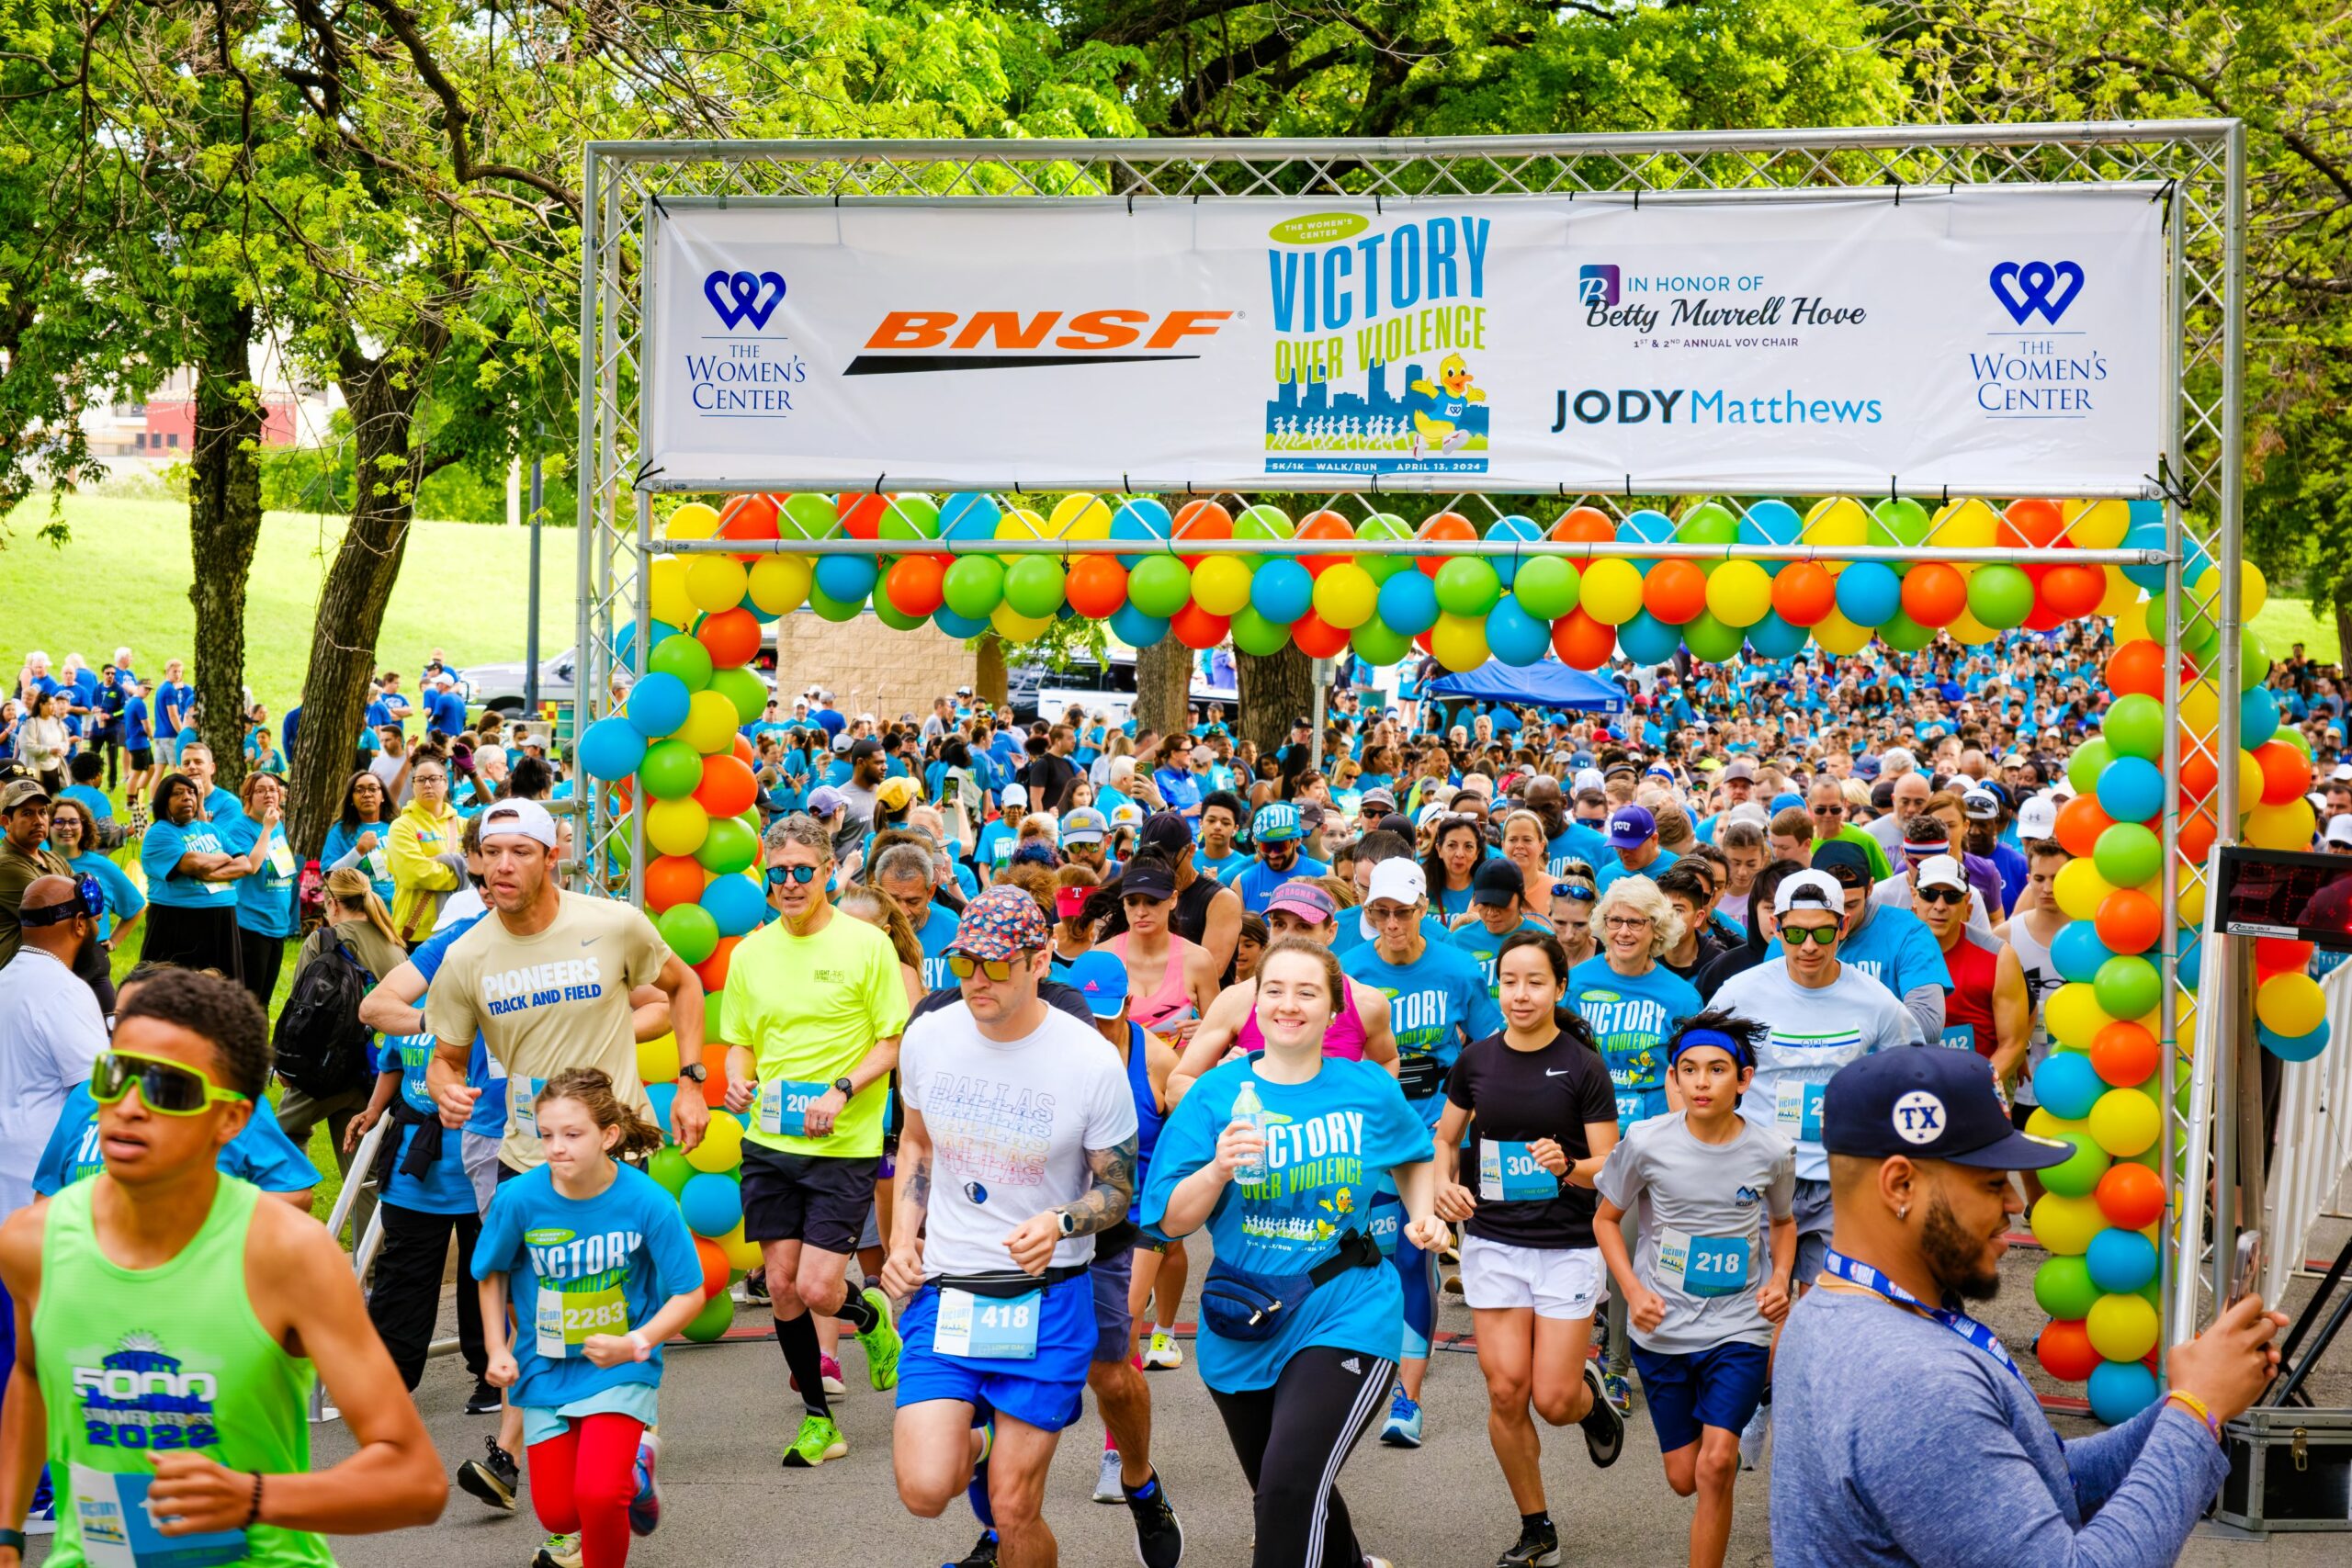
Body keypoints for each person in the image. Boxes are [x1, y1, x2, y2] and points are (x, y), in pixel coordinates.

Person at [1771, 1046, 2286, 1565]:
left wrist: (2196, 1392)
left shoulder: (1837, 1310)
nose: (2016, 1205)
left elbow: (2048, 1477)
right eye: (1993, 1182)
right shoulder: (1914, 1380)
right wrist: (2196, 1411)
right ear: (1901, 1185)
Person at [0, 968, 448, 1564]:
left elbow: (415, 1480)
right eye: (116, 1076)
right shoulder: (32, 1241)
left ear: (232, 1120)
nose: (130, 1106)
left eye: (169, 1089)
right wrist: (7, 1533)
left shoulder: (288, 1254)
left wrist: (254, 1496)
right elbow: (30, 1377)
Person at [1142, 937, 1441, 1568]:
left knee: (1287, 1488)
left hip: (1347, 1309)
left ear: (1334, 1009)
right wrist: (1217, 1168)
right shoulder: (1215, 1095)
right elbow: (1168, 1217)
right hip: (1243, 1319)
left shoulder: (1366, 1088)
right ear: (1254, 1004)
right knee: (1293, 1494)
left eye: (1308, 992)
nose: (1289, 1004)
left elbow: (1415, 1155)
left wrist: (1422, 1218)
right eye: (1274, 989)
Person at [883, 886, 1141, 1568]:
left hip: (1046, 1296)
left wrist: (1060, 1220)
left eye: (995, 965)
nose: (975, 981)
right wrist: (903, 1239)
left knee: (1012, 1508)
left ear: (1039, 960)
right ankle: (985, 1438)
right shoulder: (929, 1035)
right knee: (923, 1490)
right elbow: (917, 1143)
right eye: (965, 963)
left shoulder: (1089, 1060)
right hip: (949, 1290)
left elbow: (1118, 1188)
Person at [1712, 867, 1923, 1467]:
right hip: (1761, 1178)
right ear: (1775, 927)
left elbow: (1906, 1081)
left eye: (1822, 932)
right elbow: (1701, 1064)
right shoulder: (1740, 992)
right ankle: (1759, 1401)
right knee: (1760, 1307)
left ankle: (1809, 1428)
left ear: (1844, 926)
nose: (1807, 946)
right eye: (1795, 932)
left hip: (1840, 1181)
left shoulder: (1875, 1001)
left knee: (1824, 1312)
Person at [718, 813, 910, 1470]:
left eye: (804, 870)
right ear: (766, 879)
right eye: (779, 874)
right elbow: (740, 1041)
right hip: (769, 1139)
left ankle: (871, 1317)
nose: (792, 883)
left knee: (822, 1288)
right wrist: (736, 1081)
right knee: (781, 1284)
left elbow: (892, 1038)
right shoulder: (750, 952)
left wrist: (841, 1089)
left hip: (844, 1140)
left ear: (829, 870)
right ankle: (819, 1422)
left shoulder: (865, 945)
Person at [1433, 931, 1626, 1568]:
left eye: (1535, 981)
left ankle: (1588, 1400)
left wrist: (1568, 1163)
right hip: (1492, 1242)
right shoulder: (1477, 1060)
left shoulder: (1582, 1066)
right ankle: (1536, 1524)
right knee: (1505, 1389)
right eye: (1510, 980)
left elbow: (1609, 1166)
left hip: (1566, 1246)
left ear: (1559, 987)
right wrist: (1445, 1186)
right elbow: (1446, 1138)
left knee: (1552, 1397)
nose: (1521, 993)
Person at [474, 1069, 707, 1568]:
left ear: (609, 1135)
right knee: (560, 1513)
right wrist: (497, 1347)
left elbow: (690, 1294)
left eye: (572, 1134)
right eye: (547, 1135)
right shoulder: (519, 1200)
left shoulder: (648, 1202)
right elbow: (489, 1273)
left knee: (600, 1497)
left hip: (620, 1367)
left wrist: (636, 1343)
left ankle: (623, 1473)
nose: (557, 1148)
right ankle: (635, 1471)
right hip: (545, 1365)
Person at [1594, 1010, 1795, 1568]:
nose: (1702, 1082)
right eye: (1689, 1070)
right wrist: (1632, 1292)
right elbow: (1605, 1220)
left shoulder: (1771, 1151)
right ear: (1675, 1080)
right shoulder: (1646, 1142)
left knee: (1716, 1464)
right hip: (1661, 1332)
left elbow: (1783, 1223)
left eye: (1717, 1069)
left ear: (1745, 1079)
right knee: (1684, 1477)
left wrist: (1779, 1280)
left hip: (1739, 1329)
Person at [424, 798, 711, 1174]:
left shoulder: (614, 924)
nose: (504, 865)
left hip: (614, 1153)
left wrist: (691, 1083)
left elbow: (684, 984)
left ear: (551, 857)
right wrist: (446, 1090)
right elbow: (446, 1060)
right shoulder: (464, 956)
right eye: (492, 852)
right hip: (529, 1161)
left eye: (521, 851)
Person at [1340, 857, 1502, 1448]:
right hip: (1363, 1136)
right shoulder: (1347, 970)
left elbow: (1490, 1048)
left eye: (1402, 913)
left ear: (1424, 912)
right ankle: (1351, 1374)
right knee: (1361, 1255)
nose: (1390, 924)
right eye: (1378, 913)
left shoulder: (1457, 969)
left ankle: (1407, 1399)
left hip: (1430, 1129)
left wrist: (1469, 1121)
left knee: (1414, 1256)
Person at [1056, 953, 1184, 1567]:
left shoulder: (1155, 1057)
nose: (1095, 1032)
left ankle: (1124, 1461)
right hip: (1056, 1225)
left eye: (1105, 1019)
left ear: (1126, 1008)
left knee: (1118, 1353)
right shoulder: (1052, 1052)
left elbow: (1186, 1140)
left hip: (1131, 1227)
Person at [1569, 874, 1704, 1416]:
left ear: (1658, 929)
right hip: (1577, 1135)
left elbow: (1685, 1071)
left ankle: (1617, 1365)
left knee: (1624, 1247)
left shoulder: (1681, 994)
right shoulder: (1576, 983)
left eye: (1637, 922)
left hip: (1641, 1140)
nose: (1624, 931)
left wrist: (1682, 1139)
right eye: (1616, 921)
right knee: (1580, 1254)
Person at [0, 877, 108, 1217]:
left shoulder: (5, 978)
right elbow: (97, 1093)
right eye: (94, 920)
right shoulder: (66, 992)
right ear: (79, 925)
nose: (96, 927)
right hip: (37, 1187)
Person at [1807, 841, 1949, 1043]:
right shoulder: (1792, 935)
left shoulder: (1908, 932)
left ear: (1870, 888)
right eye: (1830, 906)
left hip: (1888, 1069)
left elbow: (1928, 1023)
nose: (1842, 917)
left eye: (1851, 904)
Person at [1909, 854, 2030, 1077]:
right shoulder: (1892, 950)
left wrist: (1979, 1086)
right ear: (1914, 898)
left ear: (1967, 904)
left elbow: (2012, 1043)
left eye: (1952, 896)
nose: (1940, 906)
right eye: (1929, 894)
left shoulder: (1998, 955)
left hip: (1981, 1086)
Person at [137, 772, 260, 976]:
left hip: (222, 919)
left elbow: (245, 865)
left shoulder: (209, 829)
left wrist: (210, 872)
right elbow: (192, 864)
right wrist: (222, 857)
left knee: (223, 991)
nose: (187, 797)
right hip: (178, 919)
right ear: (163, 801)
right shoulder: (160, 832)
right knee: (174, 991)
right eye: (178, 793)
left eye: (191, 793)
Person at [1105, 856, 1218, 1034]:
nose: (1141, 912)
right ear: (1123, 904)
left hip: (1183, 1062)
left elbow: (1219, 1034)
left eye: (1152, 901)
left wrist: (1204, 1033)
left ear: (1173, 899)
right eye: (1132, 902)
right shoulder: (1102, 957)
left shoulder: (1199, 960)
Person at [222, 773, 298, 1010]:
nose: (268, 795)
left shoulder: (277, 826)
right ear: (248, 796)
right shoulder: (240, 828)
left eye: (273, 790)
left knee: (264, 1000)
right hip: (251, 924)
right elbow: (251, 866)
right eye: (260, 790)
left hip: (277, 924)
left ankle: (258, 1046)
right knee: (249, 1001)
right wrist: (266, 830)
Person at [44, 799, 142, 959]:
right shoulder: (40, 863)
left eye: (73, 822)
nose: (67, 827)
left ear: (83, 829)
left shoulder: (102, 866)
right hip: (50, 955)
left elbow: (136, 906)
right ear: (48, 827)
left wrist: (114, 941)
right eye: (59, 822)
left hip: (92, 958)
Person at [390, 753, 464, 942]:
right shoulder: (402, 826)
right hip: (415, 931)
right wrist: (458, 873)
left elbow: (477, 869)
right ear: (413, 786)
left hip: (458, 927)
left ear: (446, 783)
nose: (427, 784)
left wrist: (434, 863)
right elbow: (413, 874)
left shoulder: (464, 825)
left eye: (433, 778)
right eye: (420, 780)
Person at [1221, 802, 1329, 915]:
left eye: (1280, 846)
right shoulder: (1242, 883)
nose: (1273, 854)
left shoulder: (1324, 875)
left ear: (1297, 841)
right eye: (1266, 847)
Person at [322, 770, 401, 912]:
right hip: (361, 912)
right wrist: (359, 851)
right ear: (351, 799)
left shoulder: (395, 827)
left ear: (382, 796)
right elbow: (329, 876)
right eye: (359, 790)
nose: (367, 794)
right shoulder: (340, 831)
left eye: (372, 789)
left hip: (398, 910)